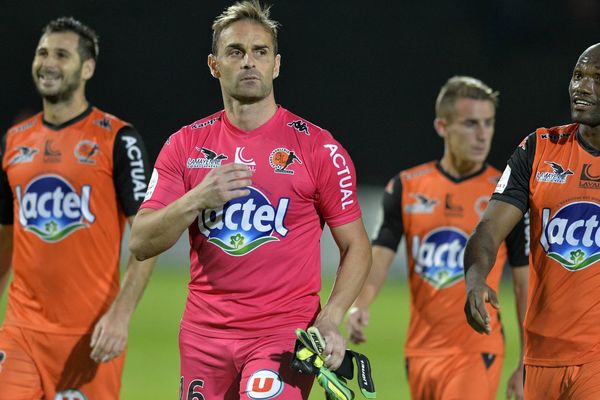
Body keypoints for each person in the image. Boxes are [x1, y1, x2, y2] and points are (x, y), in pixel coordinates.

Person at [128, 1, 371, 399]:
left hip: (281, 336)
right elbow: (141, 242)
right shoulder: (185, 145)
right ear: (213, 64)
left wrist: (330, 318)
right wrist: (196, 198)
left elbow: (356, 245)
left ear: (276, 64)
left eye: (260, 52)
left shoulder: (317, 147)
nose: (249, 62)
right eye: (235, 52)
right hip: (203, 338)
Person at [0, 17, 156, 399]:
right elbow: (5, 234)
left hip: (89, 337)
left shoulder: (119, 139)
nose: (48, 62)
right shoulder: (14, 141)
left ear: (87, 68)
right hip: (21, 332)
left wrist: (121, 315)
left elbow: (148, 237)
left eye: (62, 55)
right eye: (42, 53)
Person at [346, 76, 529, 400]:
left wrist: (524, 362)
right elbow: (380, 254)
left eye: (488, 123)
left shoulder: (505, 195)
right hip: (420, 352)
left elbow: (523, 282)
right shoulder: (406, 186)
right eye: (471, 123)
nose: (482, 134)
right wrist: (360, 304)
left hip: (477, 350)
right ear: (442, 126)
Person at [464, 43, 600, 399]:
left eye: (596, 79)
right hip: (540, 356)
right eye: (578, 76)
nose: (581, 87)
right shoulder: (540, 148)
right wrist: (475, 279)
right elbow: (488, 231)